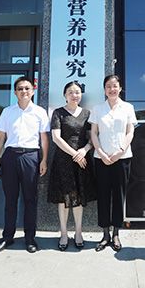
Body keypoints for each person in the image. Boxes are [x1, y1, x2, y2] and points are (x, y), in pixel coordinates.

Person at [0, 76, 50, 254]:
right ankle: (7, 237)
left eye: (27, 88)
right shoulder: (7, 112)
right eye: (20, 88)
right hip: (10, 157)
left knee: (30, 199)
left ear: (33, 91)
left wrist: (44, 160)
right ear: (15, 92)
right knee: (10, 199)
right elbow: (0, 137)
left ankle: (30, 238)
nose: (24, 91)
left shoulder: (39, 112)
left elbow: (44, 139)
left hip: (31, 157)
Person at [89, 75, 137, 252]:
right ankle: (105, 234)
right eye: (108, 86)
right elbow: (93, 133)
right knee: (103, 195)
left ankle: (116, 233)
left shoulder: (128, 108)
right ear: (104, 90)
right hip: (101, 158)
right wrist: (101, 153)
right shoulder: (97, 109)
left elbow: (130, 131)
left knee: (119, 195)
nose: (112, 89)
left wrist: (121, 151)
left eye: (115, 86)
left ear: (120, 88)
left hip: (122, 158)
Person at [47, 81, 96, 251]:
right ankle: (63, 233)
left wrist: (84, 150)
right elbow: (56, 138)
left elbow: (92, 138)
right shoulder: (58, 113)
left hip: (82, 160)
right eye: (70, 92)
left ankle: (79, 232)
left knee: (79, 197)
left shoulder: (87, 114)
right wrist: (75, 154)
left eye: (77, 92)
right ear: (65, 95)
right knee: (63, 198)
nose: (74, 95)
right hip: (63, 160)